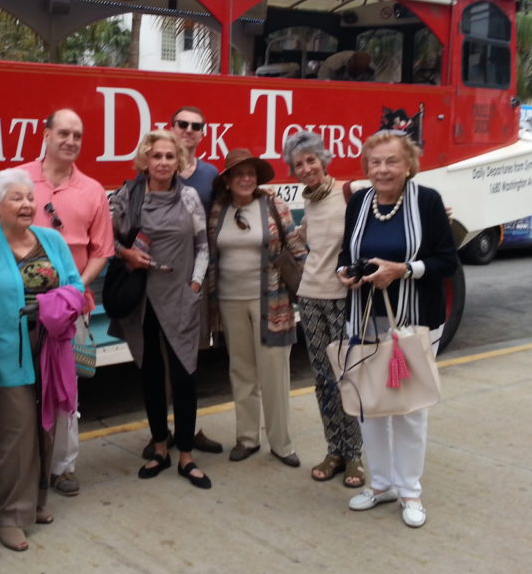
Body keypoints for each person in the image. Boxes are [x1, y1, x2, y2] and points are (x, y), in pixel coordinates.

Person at [0, 109, 114, 500]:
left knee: (64, 390)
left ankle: (62, 467)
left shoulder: (92, 190)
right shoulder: (18, 181)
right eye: (63, 133)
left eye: (77, 134)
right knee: (16, 398)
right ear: (46, 134)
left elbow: (101, 250)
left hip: (68, 309)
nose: (70, 141)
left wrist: (70, 293)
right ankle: (14, 470)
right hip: (14, 310)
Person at [337, 130, 458, 528]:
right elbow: (347, 251)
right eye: (375, 162)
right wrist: (345, 272)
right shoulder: (359, 201)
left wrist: (403, 270)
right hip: (366, 318)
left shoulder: (426, 202)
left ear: (408, 165)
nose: (383, 169)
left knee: (408, 408)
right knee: (371, 406)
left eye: (391, 161)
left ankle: (410, 491)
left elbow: (447, 261)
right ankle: (382, 483)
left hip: (413, 322)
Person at [0, 168, 84, 552]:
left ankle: (35, 503)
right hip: (7, 353)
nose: (26, 205)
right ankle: (9, 516)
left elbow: (75, 284)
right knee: (18, 434)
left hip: (50, 349)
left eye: (29, 198)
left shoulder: (51, 239)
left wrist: (52, 305)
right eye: (16, 198)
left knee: (46, 428)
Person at [108, 130, 212, 489]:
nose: (164, 162)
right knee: (150, 374)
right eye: (157, 156)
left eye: (170, 156)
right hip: (144, 299)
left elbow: (202, 247)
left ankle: (186, 454)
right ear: (145, 161)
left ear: (179, 161)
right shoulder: (129, 194)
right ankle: (158, 447)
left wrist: (195, 285)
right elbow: (103, 234)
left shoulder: (189, 197)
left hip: (181, 296)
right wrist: (125, 254)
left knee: (185, 374)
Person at [207, 149, 306, 467]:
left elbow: (296, 246)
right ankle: (247, 438)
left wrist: (313, 286)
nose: (245, 179)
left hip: (272, 299)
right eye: (238, 174)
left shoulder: (274, 205)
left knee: (274, 373)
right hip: (229, 301)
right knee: (241, 371)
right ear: (228, 180)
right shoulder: (219, 209)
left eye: (250, 173)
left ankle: (281, 443)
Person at [136, 106, 224, 459]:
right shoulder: (135, 190)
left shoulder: (208, 176)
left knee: (188, 363)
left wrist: (196, 285)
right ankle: (163, 434)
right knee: (155, 367)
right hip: (150, 291)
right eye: (182, 124)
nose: (189, 129)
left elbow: (213, 227)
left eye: (196, 126)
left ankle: (189, 431)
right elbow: (113, 233)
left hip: (189, 286)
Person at [282, 131, 366, 488]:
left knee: (349, 377)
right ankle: (334, 449)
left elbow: (395, 198)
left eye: (310, 161)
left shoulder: (351, 192)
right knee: (323, 380)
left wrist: (435, 209)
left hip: (344, 299)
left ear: (323, 160)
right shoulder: (311, 203)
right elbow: (302, 239)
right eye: (298, 164)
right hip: (311, 298)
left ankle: (355, 456)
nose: (305, 168)